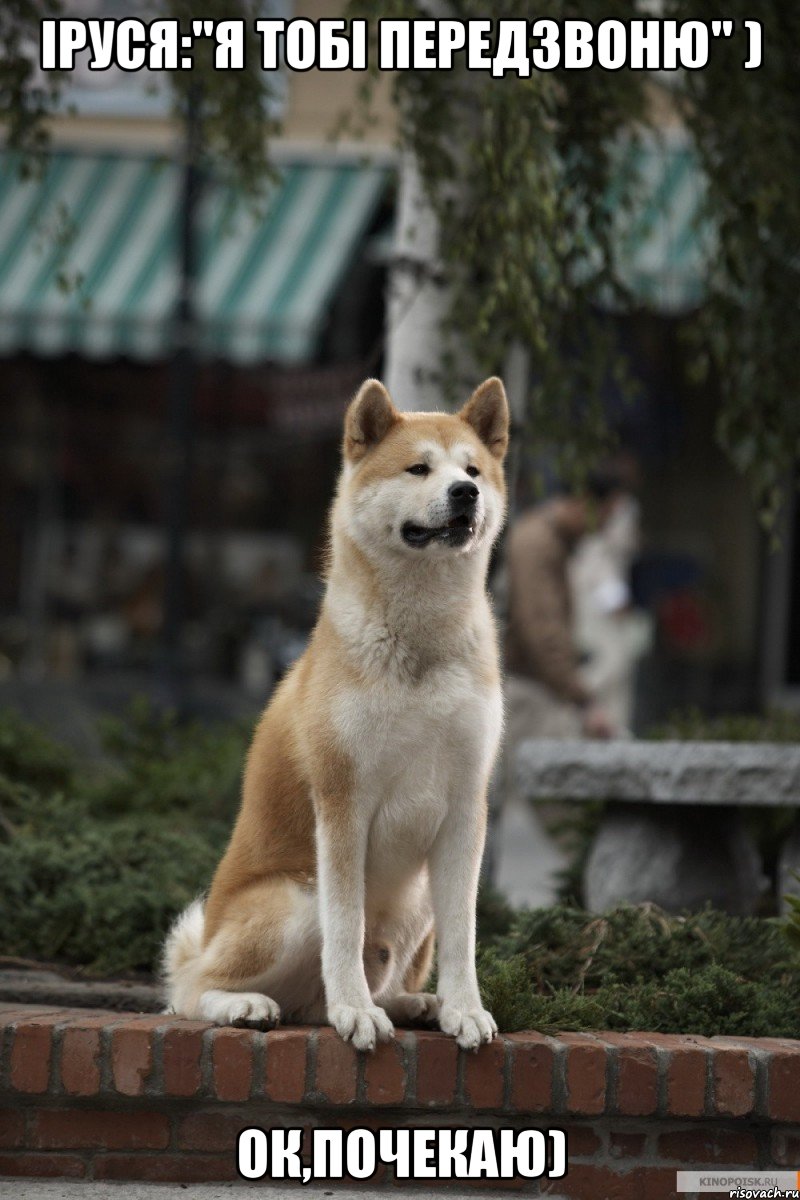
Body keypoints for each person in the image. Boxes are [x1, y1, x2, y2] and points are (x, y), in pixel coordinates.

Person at [504, 470, 627, 743]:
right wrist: (583, 701)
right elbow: (542, 630)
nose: (605, 527)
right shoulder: (538, 544)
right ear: (586, 502)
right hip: (527, 691)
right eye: (606, 515)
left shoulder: (551, 541)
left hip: (537, 687)